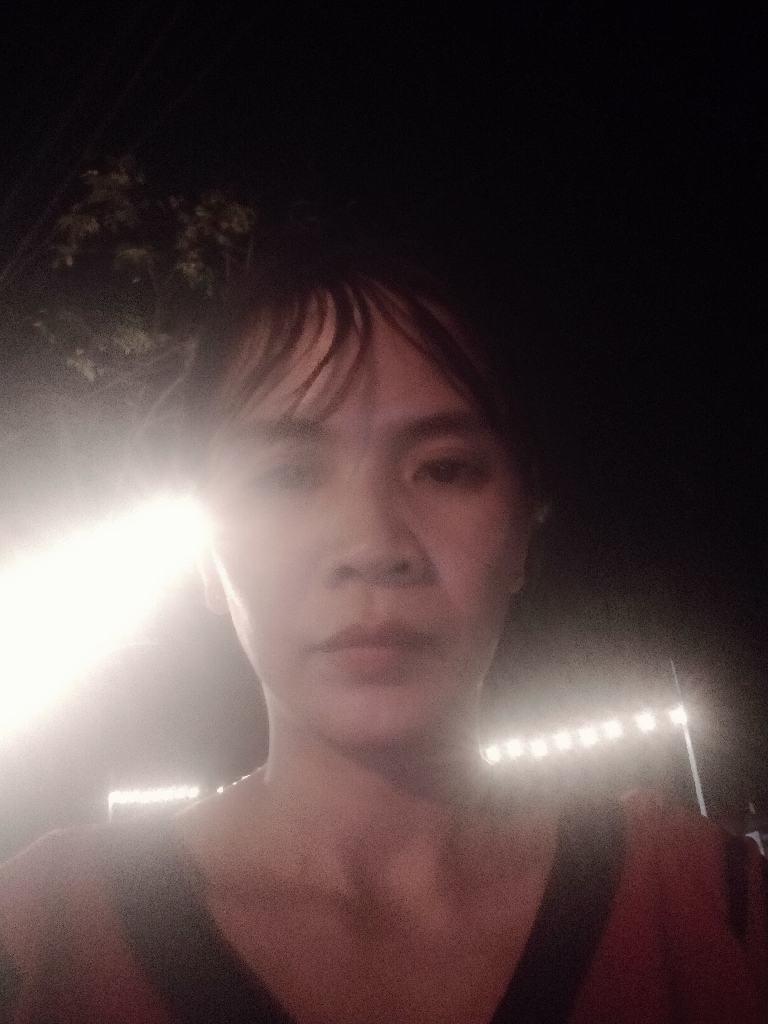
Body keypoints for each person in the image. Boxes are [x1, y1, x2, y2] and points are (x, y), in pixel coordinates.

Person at [0, 220, 766, 1024]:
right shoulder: (40, 940)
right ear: (205, 557)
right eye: (289, 475)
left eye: (444, 468)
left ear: (525, 532)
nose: (372, 545)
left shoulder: (713, 914)